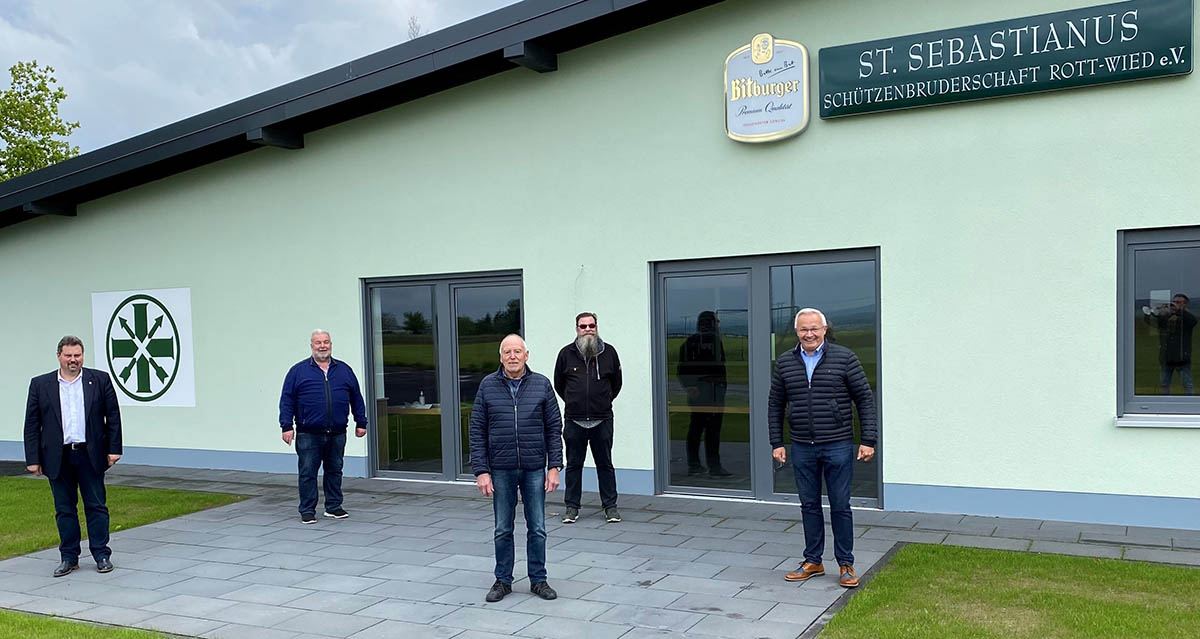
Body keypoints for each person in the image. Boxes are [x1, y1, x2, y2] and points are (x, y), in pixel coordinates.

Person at [768, 308, 877, 589]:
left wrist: (868, 439)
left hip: (838, 444)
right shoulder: (785, 362)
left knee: (841, 506)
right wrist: (776, 442)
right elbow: (775, 404)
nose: (810, 334)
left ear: (825, 329)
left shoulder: (844, 358)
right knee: (809, 506)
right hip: (802, 446)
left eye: (815, 328)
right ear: (796, 332)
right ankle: (813, 561)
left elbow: (864, 398)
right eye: (804, 329)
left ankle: (845, 563)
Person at [470, 334, 563, 603]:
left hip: (534, 467)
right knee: (502, 528)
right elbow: (477, 430)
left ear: (526, 355)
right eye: (507, 352)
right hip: (500, 468)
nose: (513, 356)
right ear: (500, 357)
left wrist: (554, 466)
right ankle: (503, 580)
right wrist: (481, 471)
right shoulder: (487, 386)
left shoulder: (542, 384)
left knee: (538, 527)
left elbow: (554, 427)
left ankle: (538, 580)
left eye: (517, 351)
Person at [24, 336, 123, 577]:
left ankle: (101, 554)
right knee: (64, 509)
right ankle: (69, 557)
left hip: (91, 454)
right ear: (59, 356)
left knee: (97, 506)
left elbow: (113, 415)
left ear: (83, 355)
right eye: (68, 355)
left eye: (77, 355)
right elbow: (32, 423)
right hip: (58, 457)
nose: (73, 360)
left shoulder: (99, 380)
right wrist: (32, 459)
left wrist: (114, 448)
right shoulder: (41, 384)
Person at [278, 329, 367, 524]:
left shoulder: (344, 370)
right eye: (318, 342)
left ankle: (333, 507)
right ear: (311, 346)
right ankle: (307, 510)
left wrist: (361, 422)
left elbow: (356, 398)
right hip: (308, 433)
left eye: (326, 342)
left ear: (331, 344)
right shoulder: (298, 371)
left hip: (337, 432)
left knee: (335, 470)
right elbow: (287, 400)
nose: (322, 346)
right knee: (308, 472)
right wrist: (286, 426)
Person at [553, 312, 623, 524]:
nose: (588, 329)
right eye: (583, 326)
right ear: (577, 329)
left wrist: (602, 401)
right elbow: (559, 385)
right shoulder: (566, 354)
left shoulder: (609, 352)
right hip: (574, 420)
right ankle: (571, 508)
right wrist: (575, 401)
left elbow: (616, 384)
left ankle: (610, 507)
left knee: (605, 465)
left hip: (602, 419)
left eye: (591, 325)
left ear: (596, 327)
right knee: (574, 465)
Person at [678, 311, 731, 478]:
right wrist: (692, 385)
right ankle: (713, 466)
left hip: (705, 390)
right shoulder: (713, 340)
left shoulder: (690, 342)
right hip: (709, 390)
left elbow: (682, 367)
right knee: (711, 430)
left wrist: (689, 386)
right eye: (716, 322)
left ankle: (695, 465)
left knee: (696, 428)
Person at [1144, 293, 1197, 394]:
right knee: (1164, 384)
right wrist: (1149, 312)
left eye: (1178, 302)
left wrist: (1179, 311)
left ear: (1185, 304)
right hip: (1166, 358)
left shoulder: (1187, 317)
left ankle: (1190, 405)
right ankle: (1165, 404)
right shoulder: (1166, 317)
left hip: (1182, 358)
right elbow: (1153, 323)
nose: (1174, 304)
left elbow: (1193, 321)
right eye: (1174, 302)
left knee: (1187, 384)